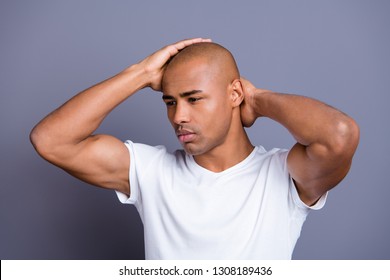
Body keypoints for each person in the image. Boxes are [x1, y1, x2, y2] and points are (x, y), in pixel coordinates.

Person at [30, 38, 360, 259]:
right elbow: (51, 140)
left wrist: (257, 100)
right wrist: (141, 73)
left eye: (194, 99)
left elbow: (339, 135)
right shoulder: (151, 172)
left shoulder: (284, 176)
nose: (179, 116)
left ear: (234, 95)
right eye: (170, 102)